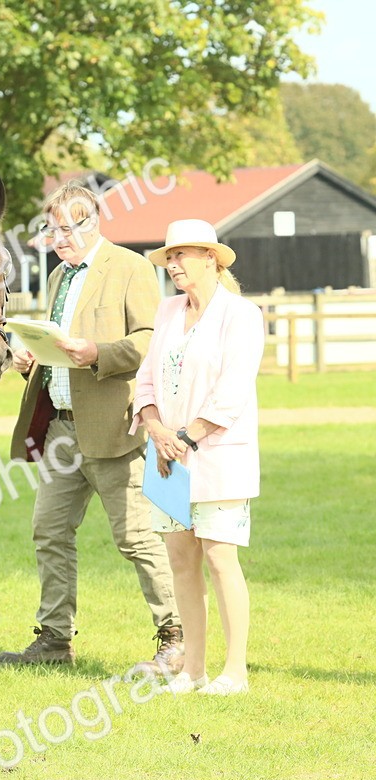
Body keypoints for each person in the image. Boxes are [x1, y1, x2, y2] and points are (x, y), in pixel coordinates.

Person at [0, 181, 183, 673]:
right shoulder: (59, 277)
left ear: (91, 222)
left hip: (114, 429)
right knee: (49, 532)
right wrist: (32, 357)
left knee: (137, 539)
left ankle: (176, 638)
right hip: (60, 429)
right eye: (50, 229)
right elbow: (62, 345)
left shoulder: (132, 268)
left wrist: (98, 353)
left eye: (64, 228)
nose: (56, 238)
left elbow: (149, 342)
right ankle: (55, 640)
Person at [133, 219, 263, 696]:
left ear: (211, 258)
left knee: (219, 558)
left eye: (182, 255)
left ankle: (235, 672)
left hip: (215, 456)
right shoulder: (167, 311)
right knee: (180, 561)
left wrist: (185, 438)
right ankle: (193, 669)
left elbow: (233, 390)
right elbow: (145, 380)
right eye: (169, 256)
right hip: (166, 457)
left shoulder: (241, 315)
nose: (173, 264)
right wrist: (155, 428)